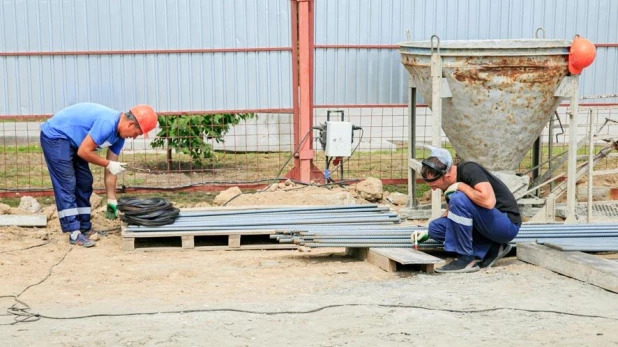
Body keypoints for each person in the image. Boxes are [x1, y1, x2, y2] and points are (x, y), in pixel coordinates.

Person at [40, 103, 158, 247]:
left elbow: (111, 169)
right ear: (131, 124)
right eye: (137, 133)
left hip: (75, 142)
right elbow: (85, 152)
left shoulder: (119, 138)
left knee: (84, 181)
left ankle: (85, 227)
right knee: (67, 183)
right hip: (56, 137)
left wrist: (111, 199)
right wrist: (108, 164)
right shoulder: (107, 123)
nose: (134, 138)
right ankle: (74, 232)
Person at [412, 146, 521, 273]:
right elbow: (452, 211)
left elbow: (489, 202)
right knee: (436, 228)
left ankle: (466, 258)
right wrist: (427, 233)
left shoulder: (470, 169)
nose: (434, 189)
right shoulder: (448, 183)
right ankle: (492, 248)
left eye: (435, 185)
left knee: (458, 198)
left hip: (506, 224)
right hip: (487, 225)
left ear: (446, 175)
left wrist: (461, 186)